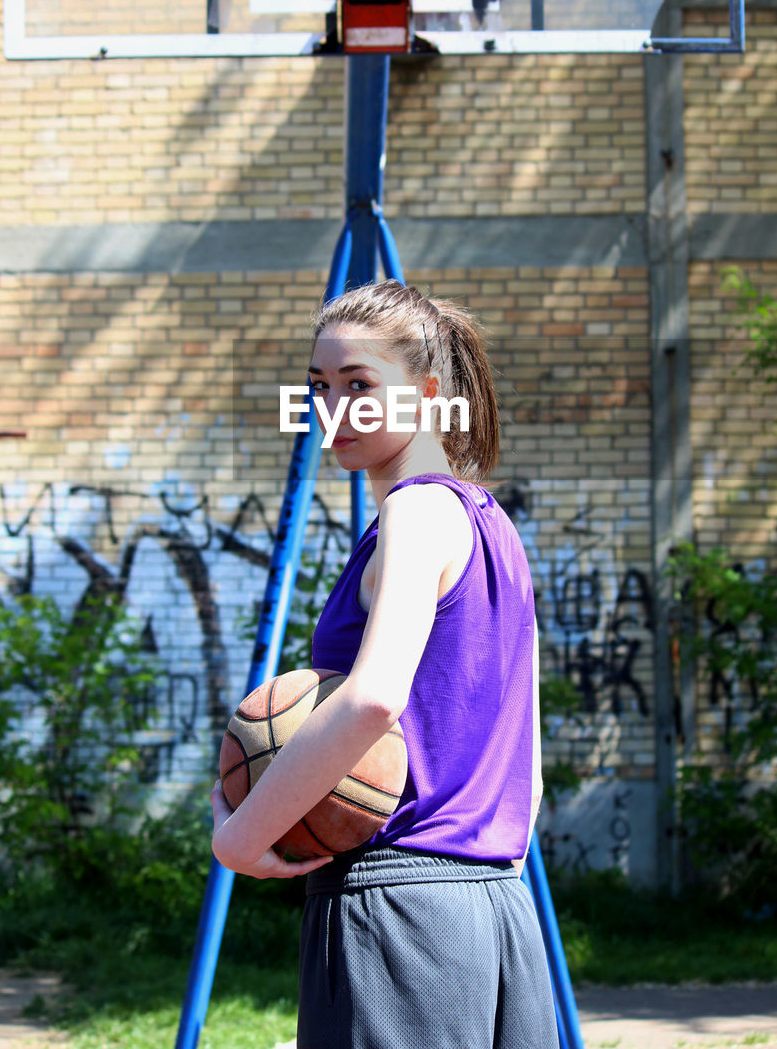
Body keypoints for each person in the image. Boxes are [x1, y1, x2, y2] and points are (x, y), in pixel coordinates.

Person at [211, 279, 559, 1049]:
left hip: (394, 909)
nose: (331, 410)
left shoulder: (412, 510)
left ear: (428, 393)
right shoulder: (490, 523)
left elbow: (372, 701)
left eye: (358, 385)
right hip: (497, 910)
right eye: (317, 388)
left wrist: (240, 835)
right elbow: (527, 770)